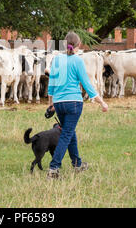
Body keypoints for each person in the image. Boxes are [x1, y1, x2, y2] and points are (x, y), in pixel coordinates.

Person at [47, 31, 108, 179]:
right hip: (73, 103)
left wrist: (51, 105)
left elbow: (52, 84)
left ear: (64, 44)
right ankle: (54, 168)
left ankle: (77, 164)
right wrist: (101, 102)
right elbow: (86, 84)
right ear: (79, 45)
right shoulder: (78, 61)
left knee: (70, 132)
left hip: (59, 103)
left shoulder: (56, 60)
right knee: (66, 134)